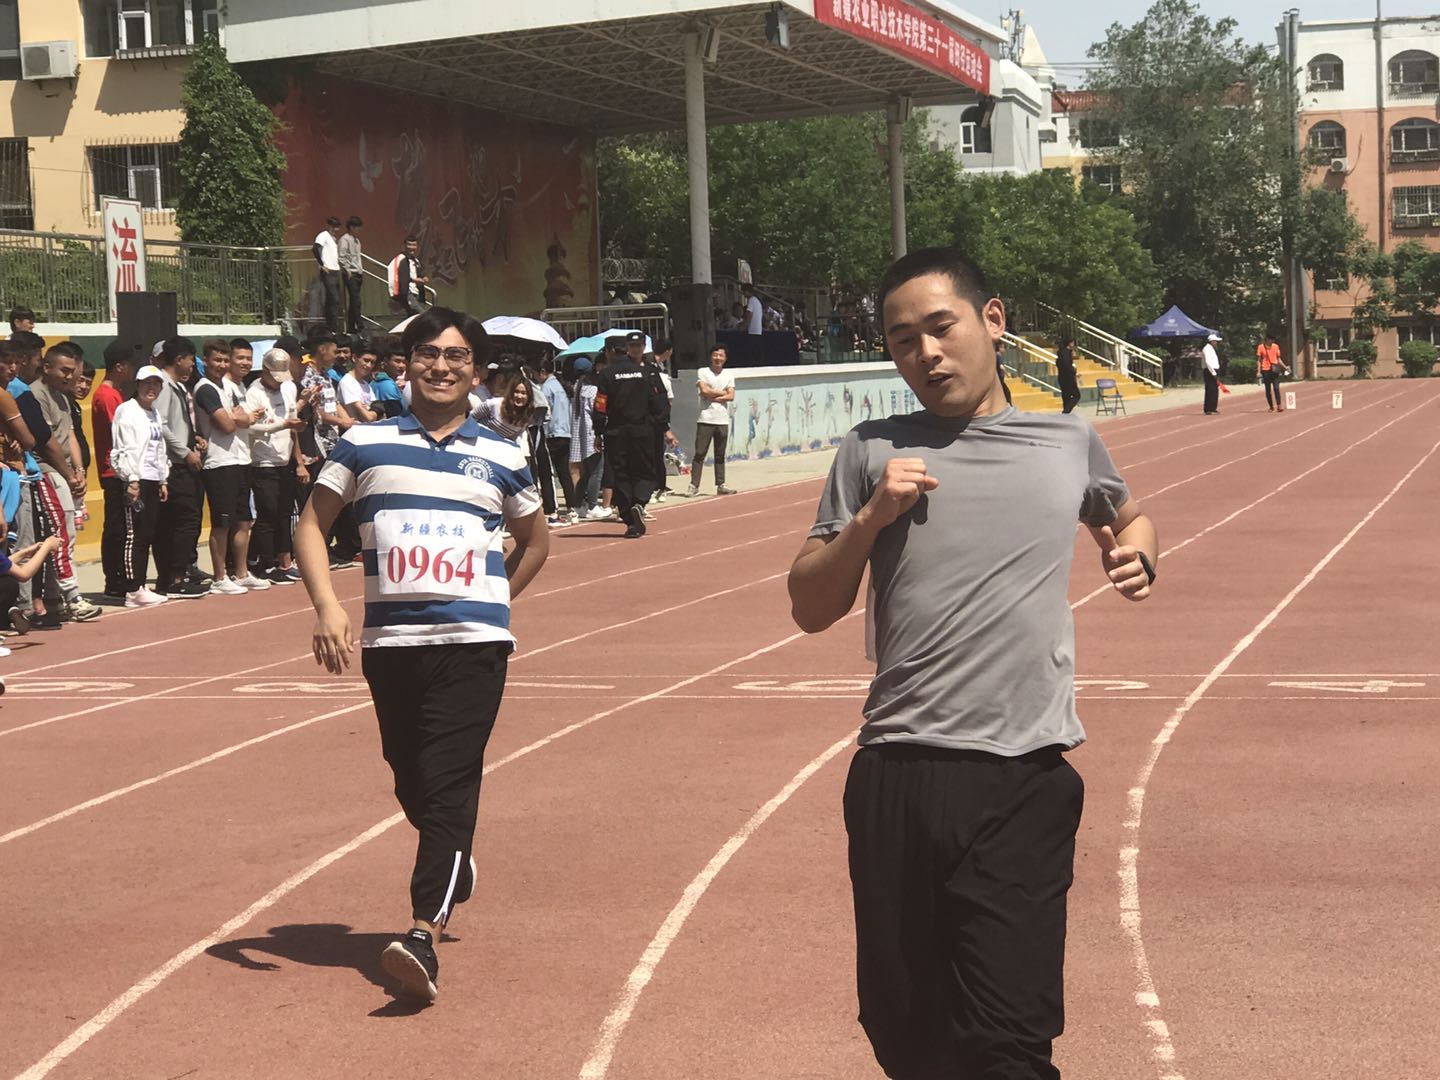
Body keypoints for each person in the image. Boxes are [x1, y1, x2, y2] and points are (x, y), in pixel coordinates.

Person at [787, 247, 1158, 1080]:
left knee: (1008, 1040)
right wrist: (870, 518)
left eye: (940, 327)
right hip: (899, 768)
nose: (926, 354)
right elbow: (809, 606)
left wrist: (1138, 555)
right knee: (905, 1034)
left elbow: (1131, 517)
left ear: (992, 321)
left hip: (1022, 774)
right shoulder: (870, 450)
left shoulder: (1067, 440)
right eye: (902, 340)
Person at [295, 306, 549, 1004]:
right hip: (392, 646)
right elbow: (311, 525)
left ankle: (421, 935)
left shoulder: (502, 454)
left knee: (450, 781)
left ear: (476, 370)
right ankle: (454, 855)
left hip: (474, 647)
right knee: (411, 779)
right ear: (405, 364)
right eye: (429, 354)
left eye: (456, 356)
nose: (442, 366)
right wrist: (327, 606)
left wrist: (495, 599)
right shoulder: (364, 445)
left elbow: (536, 540)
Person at [29, 343, 102, 622]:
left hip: (66, 473)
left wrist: (79, 470)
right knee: (60, 533)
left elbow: (70, 436)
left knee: (67, 534)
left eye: (72, 371)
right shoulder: (37, 395)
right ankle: (71, 596)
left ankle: (56, 597)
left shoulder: (62, 397)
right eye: (64, 370)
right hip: (48, 471)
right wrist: (68, 474)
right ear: (46, 367)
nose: (69, 376)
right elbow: (48, 443)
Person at [152, 337, 211, 599]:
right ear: (178, 360)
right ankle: (175, 578)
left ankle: (171, 578)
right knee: (185, 520)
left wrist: (193, 437)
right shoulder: (165, 386)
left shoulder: (177, 386)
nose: (192, 365)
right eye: (190, 359)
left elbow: (176, 423)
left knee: (177, 521)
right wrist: (185, 452)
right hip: (174, 465)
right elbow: (161, 424)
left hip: (179, 459)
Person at [593, 330, 665, 538]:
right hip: (642, 432)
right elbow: (658, 401)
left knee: (620, 474)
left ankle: (630, 519)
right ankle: (639, 504)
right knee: (645, 471)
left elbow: (600, 405)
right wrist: (663, 425)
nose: (636, 349)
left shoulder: (607, 374)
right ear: (627, 349)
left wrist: (598, 431)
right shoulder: (647, 372)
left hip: (616, 433)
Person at [109, 365, 171, 608]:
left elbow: (159, 448)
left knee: (146, 534)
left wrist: (163, 479)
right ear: (137, 385)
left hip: (152, 478)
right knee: (134, 535)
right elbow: (124, 447)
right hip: (136, 478)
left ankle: (141, 585)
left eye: (156, 384)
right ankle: (133, 589)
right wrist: (132, 479)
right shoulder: (127, 410)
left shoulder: (154, 413)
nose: (151, 388)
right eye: (146, 383)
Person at [246, 348, 308, 586]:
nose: (278, 382)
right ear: (265, 370)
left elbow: (292, 422)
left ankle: (283, 562)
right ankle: (265, 562)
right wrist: (281, 425)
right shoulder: (254, 393)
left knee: (284, 513)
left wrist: (298, 460)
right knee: (267, 513)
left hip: (284, 460)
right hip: (262, 461)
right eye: (275, 377)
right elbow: (250, 428)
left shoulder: (288, 388)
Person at [93, 341, 141, 600]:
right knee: (117, 527)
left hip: (116, 469)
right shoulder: (107, 395)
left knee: (121, 526)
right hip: (114, 471)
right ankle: (115, 578)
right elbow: (120, 432)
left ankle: (117, 576)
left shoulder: (113, 394)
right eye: (130, 364)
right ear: (120, 366)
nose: (133, 369)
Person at [687, 344, 738, 497]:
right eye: (715, 355)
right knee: (700, 453)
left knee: (720, 454)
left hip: (722, 420)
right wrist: (722, 393)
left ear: (725, 358)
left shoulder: (729, 374)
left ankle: (721, 484)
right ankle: (694, 485)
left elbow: (731, 396)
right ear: (711, 356)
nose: (718, 358)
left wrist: (713, 394)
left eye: (721, 355)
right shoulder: (703, 372)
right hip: (705, 419)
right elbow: (704, 391)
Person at [538, 357, 577, 517]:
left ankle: (550, 507)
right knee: (564, 472)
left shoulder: (546, 388)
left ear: (542, 372)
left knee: (547, 472)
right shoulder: (562, 386)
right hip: (565, 432)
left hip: (552, 433)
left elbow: (546, 413)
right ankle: (572, 505)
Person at [645, 339, 678, 504]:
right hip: (650, 422)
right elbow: (667, 402)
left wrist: (665, 425)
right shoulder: (654, 371)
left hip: (656, 422)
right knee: (653, 456)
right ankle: (655, 487)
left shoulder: (661, 373)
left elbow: (667, 402)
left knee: (656, 456)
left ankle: (659, 487)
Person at [313, 216, 344, 332]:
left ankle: (331, 325)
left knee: (332, 299)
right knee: (333, 298)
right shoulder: (323, 235)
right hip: (328, 270)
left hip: (335, 270)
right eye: (334, 227)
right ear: (329, 226)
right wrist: (322, 264)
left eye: (337, 227)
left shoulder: (333, 239)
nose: (336, 229)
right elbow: (315, 248)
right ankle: (332, 326)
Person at [339, 342, 380, 423]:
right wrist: (374, 412)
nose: (369, 365)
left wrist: (375, 411)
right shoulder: (347, 382)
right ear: (354, 358)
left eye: (372, 362)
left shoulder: (366, 384)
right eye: (366, 360)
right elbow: (367, 417)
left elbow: (378, 407)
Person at [389, 235, 429, 317]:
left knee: (412, 318)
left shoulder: (416, 261)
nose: (411, 247)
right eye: (409, 245)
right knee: (422, 316)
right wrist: (414, 280)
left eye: (414, 245)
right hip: (406, 294)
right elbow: (399, 278)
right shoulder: (400, 259)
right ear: (404, 246)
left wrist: (424, 278)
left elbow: (419, 274)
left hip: (415, 293)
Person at [339, 216, 365, 334]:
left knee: (354, 301)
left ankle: (351, 326)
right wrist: (347, 269)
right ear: (351, 227)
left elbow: (357, 257)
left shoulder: (357, 241)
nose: (359, 230)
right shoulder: (345, 239)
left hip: (358, 272)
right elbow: (341, 256)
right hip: (350, 273)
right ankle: (359, 324)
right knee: (356, 300)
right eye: (357, 228)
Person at [370, 335, 406, 419]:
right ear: (386, 361)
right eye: (397, 361)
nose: (401, 366)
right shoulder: (387, 385)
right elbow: (395, 415)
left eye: (404, 362)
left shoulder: (378, 380)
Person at [1256, 334, 1288, 413]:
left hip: (1275, 369)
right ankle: (1271, 406)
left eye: (1273, 340)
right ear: (1267, 339)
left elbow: (1278, 359)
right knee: (1268, 389)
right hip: (1265, 370)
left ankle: (1279, 405)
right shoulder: (1260, 347)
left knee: (1276, 388)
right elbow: (1259, 360)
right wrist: (1258, 371)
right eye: (1271, 340)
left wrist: (1285, 367)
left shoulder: (1276, 346)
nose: (1272, 341)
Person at [1056, 336, 1081, 414]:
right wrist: (1073, 372)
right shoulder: (1066, 353)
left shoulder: (1061, 352)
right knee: (1076, 395)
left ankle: (1066, 412)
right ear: (1069, 343)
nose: (1073, 344)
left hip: (1062, 377)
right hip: (1068, 378)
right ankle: (1066, 411)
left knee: (1066, 396)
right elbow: (1067, 365)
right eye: (1072, 343)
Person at [1202, 331, 1222, 415]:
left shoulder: (1211, 349)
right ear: (1212, 341)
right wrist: (1213, 373)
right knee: (1210, 389)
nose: (1216, 343)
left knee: (1214, 389)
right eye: (1215, 341)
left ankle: (1213, 408)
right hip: (1209, 371)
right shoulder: (1207, 349)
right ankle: (1208, 409)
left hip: (1213, 370)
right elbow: (1208, 362)